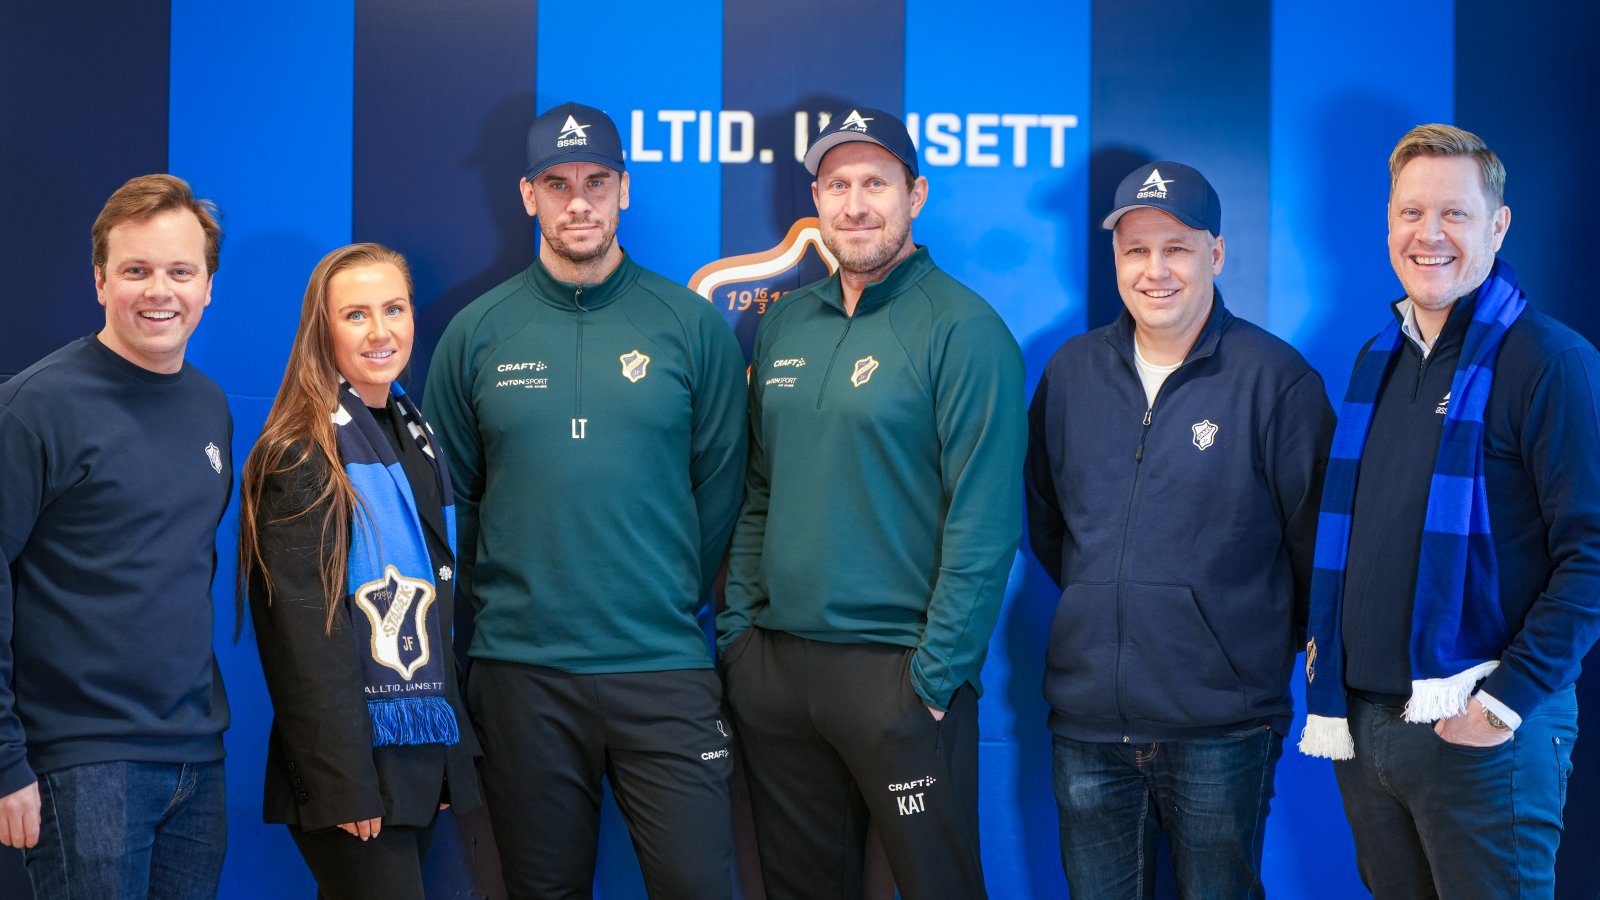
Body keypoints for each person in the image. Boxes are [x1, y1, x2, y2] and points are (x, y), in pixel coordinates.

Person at [424, 102, 747, 899]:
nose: (579, 202)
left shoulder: (690, 325)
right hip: (522, 673)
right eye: (557, 184)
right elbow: (448, 502)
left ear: (624, 190)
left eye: (597, 182)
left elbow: (720, 489)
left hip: (662, 664)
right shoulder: (476, 331)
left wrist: (662, 593)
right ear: (527, 195)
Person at [718, 107, 1026, 900]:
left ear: (914, 195)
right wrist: (741, 638)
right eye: (838, 185)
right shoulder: (787, 322)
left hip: (900, 672)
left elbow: (985, 520)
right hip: (777, 672)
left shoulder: (965, 329)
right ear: (817, 200)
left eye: (876, 184)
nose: (855, 205)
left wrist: (935, 676)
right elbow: (761, 488)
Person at [1299, 124, 1600, 897]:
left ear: (1498, 226)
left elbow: (1593, 556)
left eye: (1455, 214)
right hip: (1369, 734)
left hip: (1484, 736)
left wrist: (1499, 708)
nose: (1428, 234)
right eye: (1411, 213)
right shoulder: (1377, 360)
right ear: (1388, 223)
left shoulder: (1550, 361)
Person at [1024, 161, 1335, 898]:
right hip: (1088, 726)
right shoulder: (1070, 373)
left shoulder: (1276, 380)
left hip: (1223, 728)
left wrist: (1229, 647)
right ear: (1115, 259)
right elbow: (1048, 523)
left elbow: (1315, 549)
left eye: (1177, 249)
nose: (1155, 270)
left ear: (1215, 255)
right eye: (1136, 250)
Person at [0, 174, 231, 898]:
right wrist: (4, 759)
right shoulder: (34, 408)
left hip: (197, 760)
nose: (159, 291)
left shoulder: (210, 406)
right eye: (136, 271)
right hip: (82, 763)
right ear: (100, 280)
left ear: (207, 287)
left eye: (180, 272)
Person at [238, 243, 482, 899]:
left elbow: (436, 603)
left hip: (412, 759)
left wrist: (444, 764)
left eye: (394, 309)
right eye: (356, 315)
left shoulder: (413, 434)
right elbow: (301, 642)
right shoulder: (301, 450)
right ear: (323, 331)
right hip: (350, 767)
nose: (380, 331)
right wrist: (342, 783)